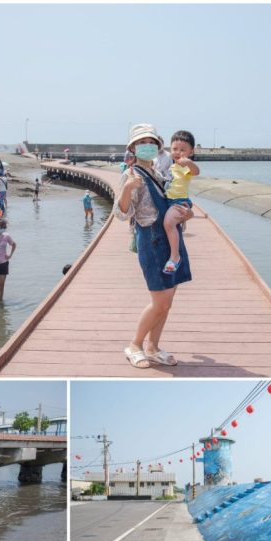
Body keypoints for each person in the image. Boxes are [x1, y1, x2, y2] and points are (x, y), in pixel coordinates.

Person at [114, 123, 193, 370]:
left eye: (150, 142)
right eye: (140, 142)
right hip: (151, 240)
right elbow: (121, 213)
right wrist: (127, 189)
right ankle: (135, 345)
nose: (146, 146)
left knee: (168, 301)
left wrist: (186, 215)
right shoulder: (131, 175)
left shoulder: (161, 172)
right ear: (133, 148)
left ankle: (153, 346)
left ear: (157, 147)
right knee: (160, 301)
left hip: (171, 238)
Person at [163, 130, 200, 274]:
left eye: (183, 150)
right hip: (168, 200)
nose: (178, 152)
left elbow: (196, 171)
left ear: (191, 151)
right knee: (168, 224)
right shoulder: (171, 166)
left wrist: (189, 162)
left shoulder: (185, 166)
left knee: (168, 223)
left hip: (179, 201)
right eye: (174, 149)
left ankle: (175, 257)